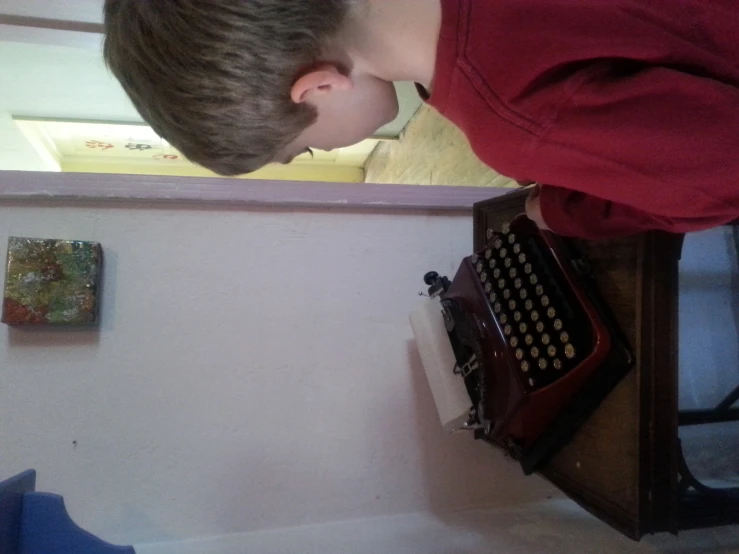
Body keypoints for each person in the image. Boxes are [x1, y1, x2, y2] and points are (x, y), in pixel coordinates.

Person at [103, 0, 739, 240]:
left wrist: (567, 212)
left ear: (320, 86)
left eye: (304, 148)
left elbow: (719, 180)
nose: (321, 151)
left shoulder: (515, 115)